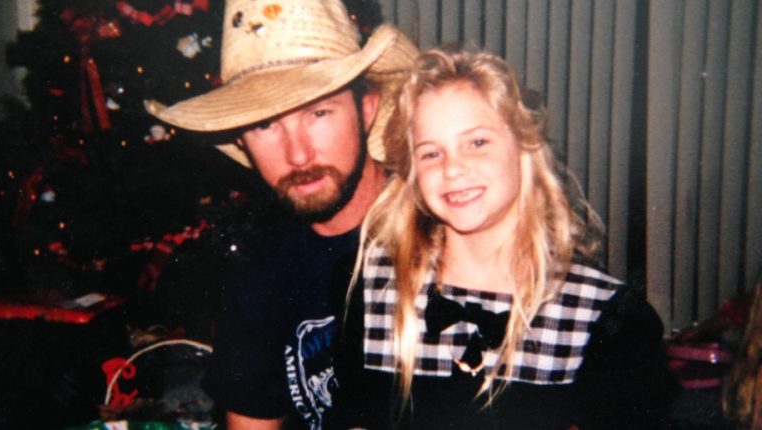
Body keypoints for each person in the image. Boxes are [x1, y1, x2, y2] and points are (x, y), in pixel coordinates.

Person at [330, 48, 678, 429]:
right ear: (412, 175)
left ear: (525, 148)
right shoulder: (373, 290)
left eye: (477, 142)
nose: (453, 168)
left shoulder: (607, 318)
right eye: (431, 153)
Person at [145, 0, 417, 428]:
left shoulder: (446, 230)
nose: (297, 154)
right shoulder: (261, 273)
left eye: (318, 112)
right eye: (266, 125)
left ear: (366, 110)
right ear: (242, 141)